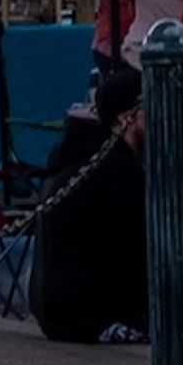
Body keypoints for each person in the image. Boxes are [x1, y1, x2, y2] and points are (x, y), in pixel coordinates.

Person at [28, 60, 151, 344]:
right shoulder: (117, 172)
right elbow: (135, 250)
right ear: (127, 118)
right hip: (90, 313)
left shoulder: (76, 157)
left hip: (58, 307)